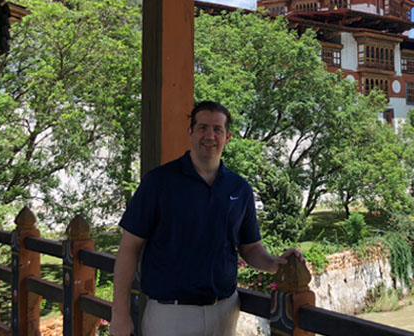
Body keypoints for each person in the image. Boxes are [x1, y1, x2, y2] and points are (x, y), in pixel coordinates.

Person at [110, 101, 300, 336]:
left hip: (225, 312)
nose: (210, 135)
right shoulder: (159, 183)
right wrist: (119, 313)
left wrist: (275, 263)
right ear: (190, 132)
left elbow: (250, 248)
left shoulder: (239, 188)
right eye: (202, 127)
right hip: (171, 316)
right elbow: (129, 248)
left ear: (227, 137)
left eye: (217, 129)